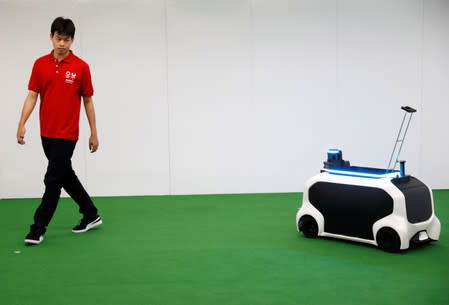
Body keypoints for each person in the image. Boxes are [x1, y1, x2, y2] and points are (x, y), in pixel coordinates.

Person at [16, 17, 102, 245]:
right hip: (47, 132)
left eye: (66, 39)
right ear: (51, 37)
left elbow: (88, 101)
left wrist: (94, 132)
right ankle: (91, 214)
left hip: (67, 133)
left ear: (72, 40)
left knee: (52, 179)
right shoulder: (40, 64)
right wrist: (22, 122)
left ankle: (38, 228)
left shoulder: (81, 67)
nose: (62, 43)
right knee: (65, 175)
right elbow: (32, 95)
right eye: (58, 38)